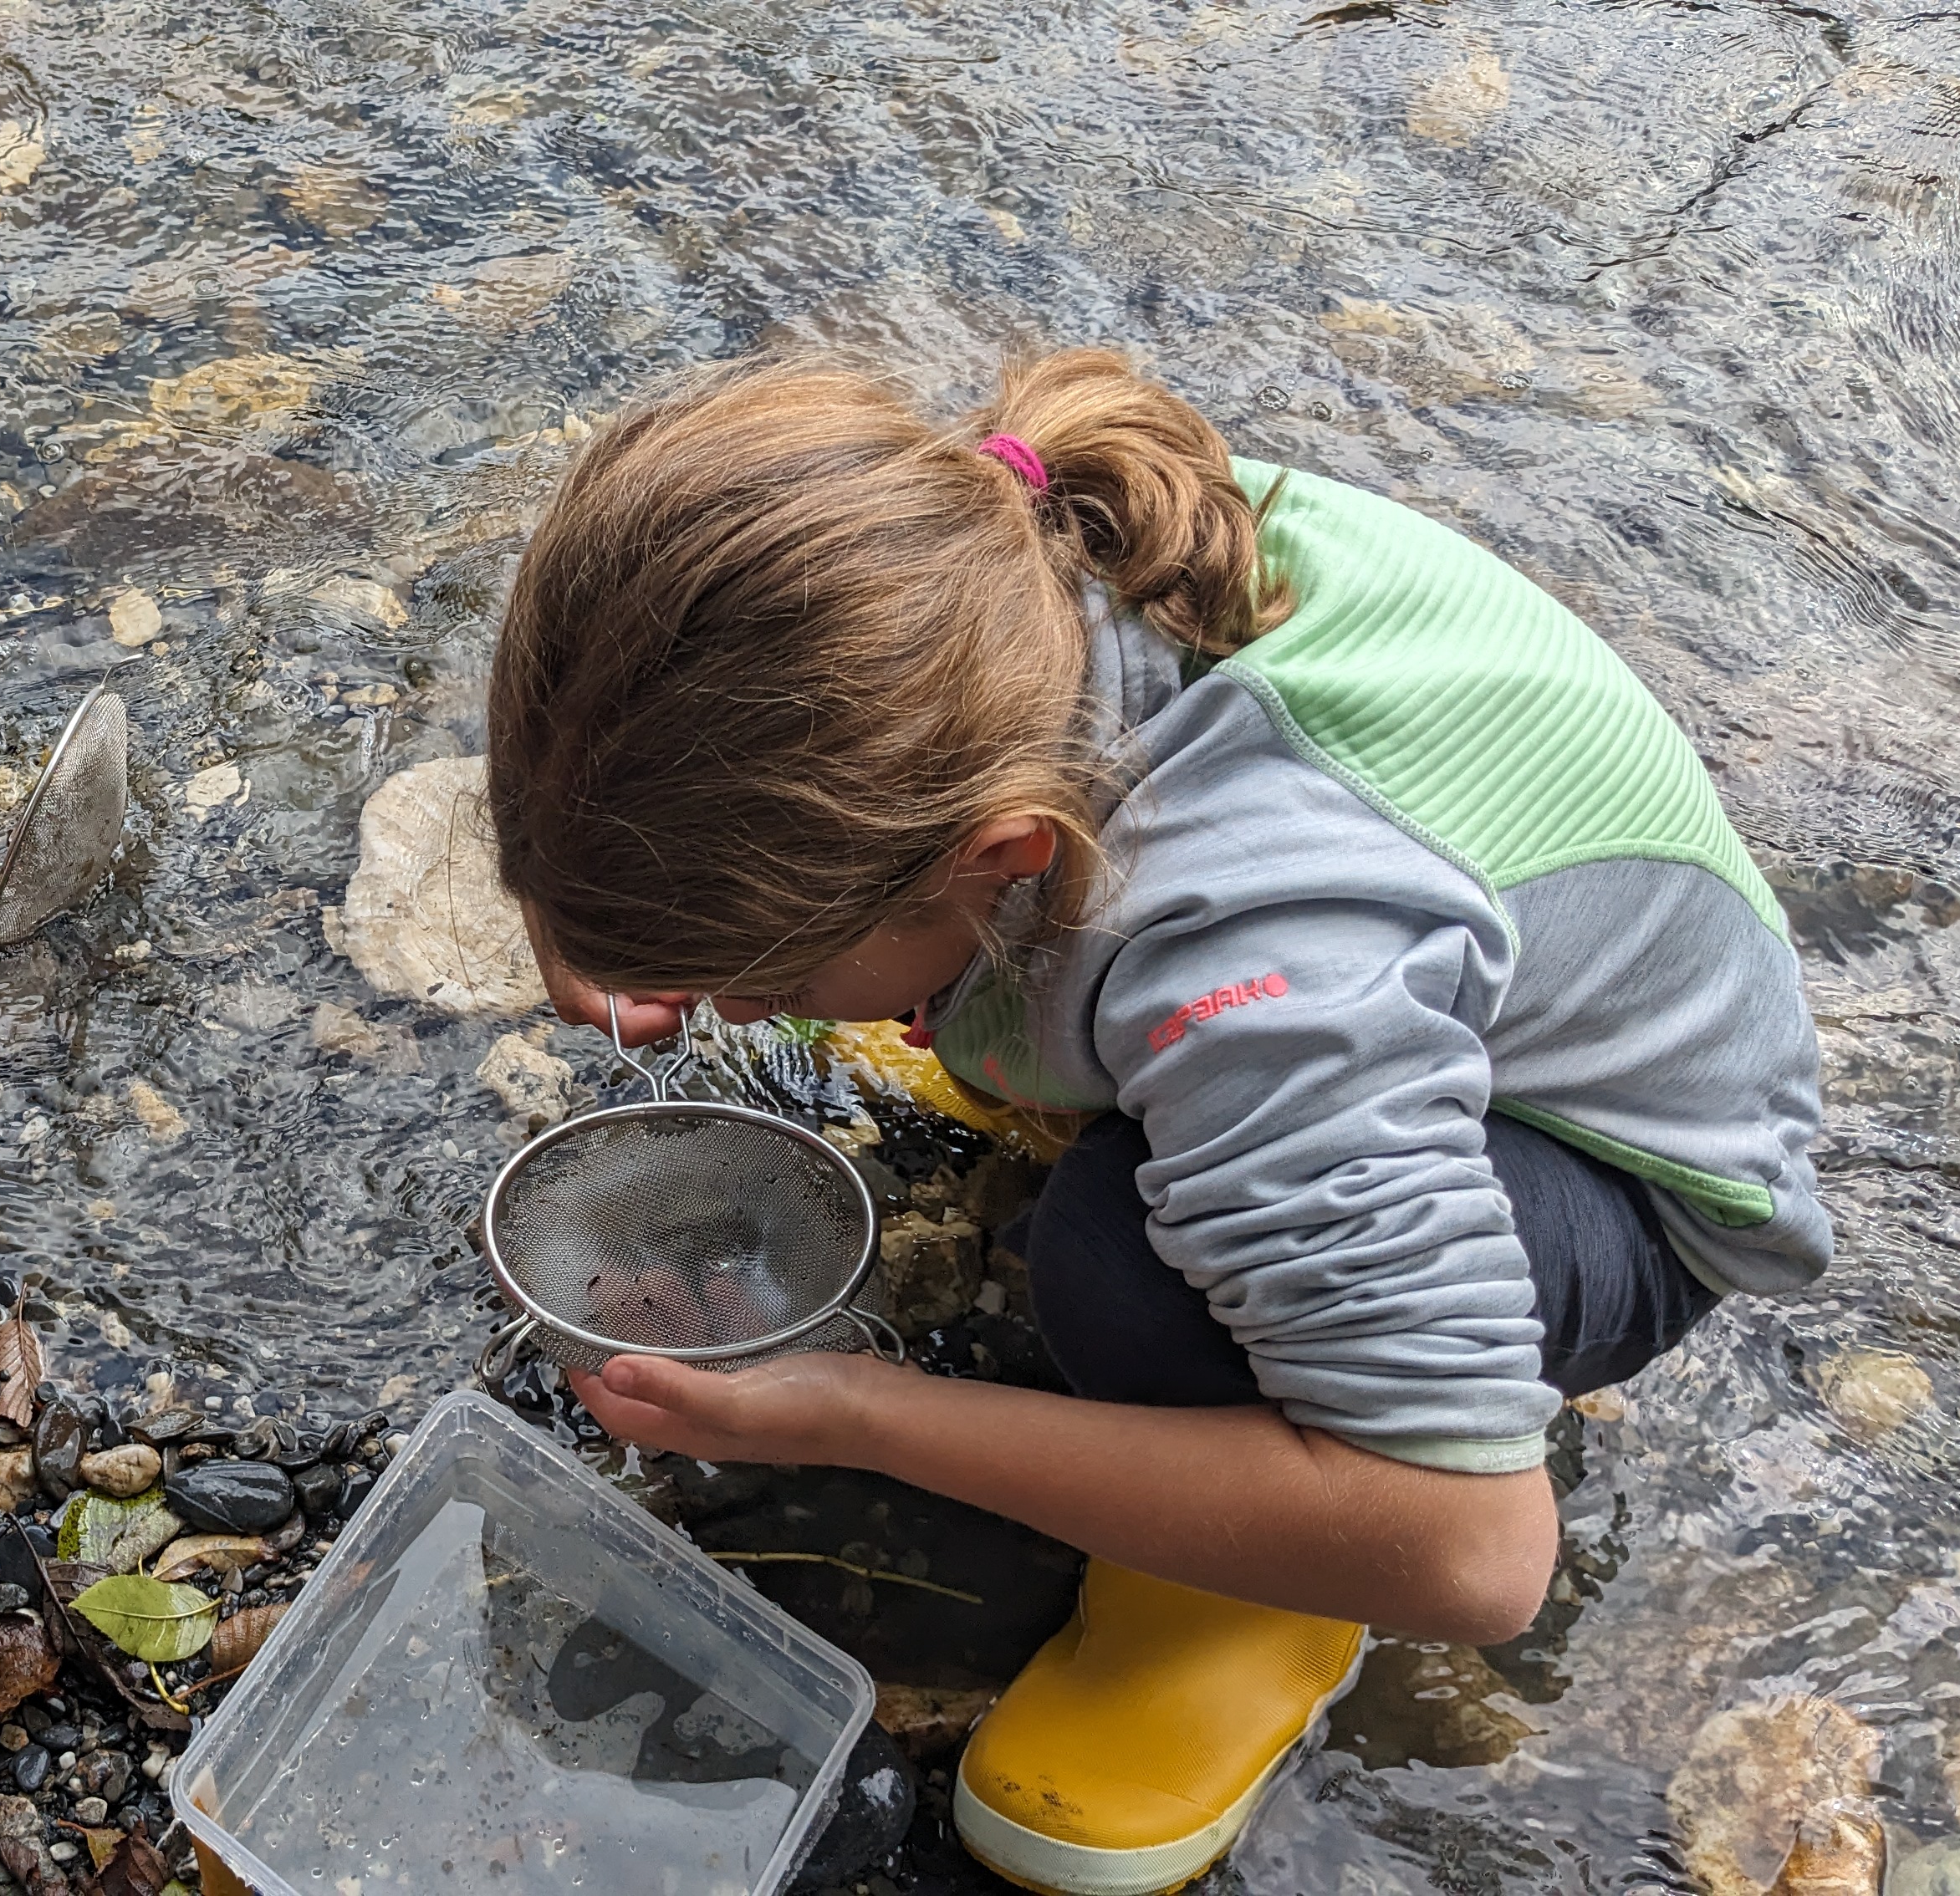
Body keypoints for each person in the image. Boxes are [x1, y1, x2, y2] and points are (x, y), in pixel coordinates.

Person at [486, 350, 1826, 1894]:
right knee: (1119, 1100)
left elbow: (1483, 1560)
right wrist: (614, 903)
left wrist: (853, 1410)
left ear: (994, 855)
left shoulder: (1255, 981)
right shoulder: (1009, 556)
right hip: (1436, 984)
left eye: (764, 981)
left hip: (1627, 1170)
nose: (727, 1011)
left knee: (1117, 1265)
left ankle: (1265, 1583)